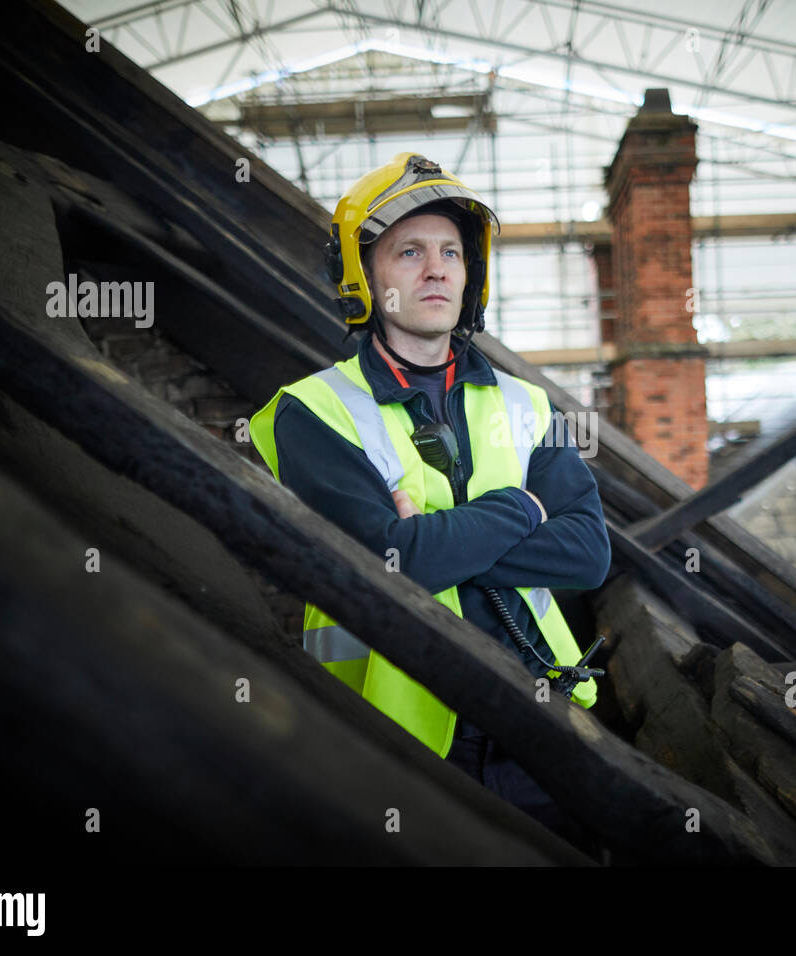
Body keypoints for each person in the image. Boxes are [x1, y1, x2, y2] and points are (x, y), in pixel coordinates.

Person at [249, 152, 611, 847]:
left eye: (451, 251)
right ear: (362, 276)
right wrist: (522, 508)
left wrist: (436, 541)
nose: (437, 268)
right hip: (398, 743)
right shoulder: (315, 411)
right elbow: (393, 564)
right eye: (408, 251)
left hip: (544, 725)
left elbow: (589, 554)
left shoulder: (524, 403)